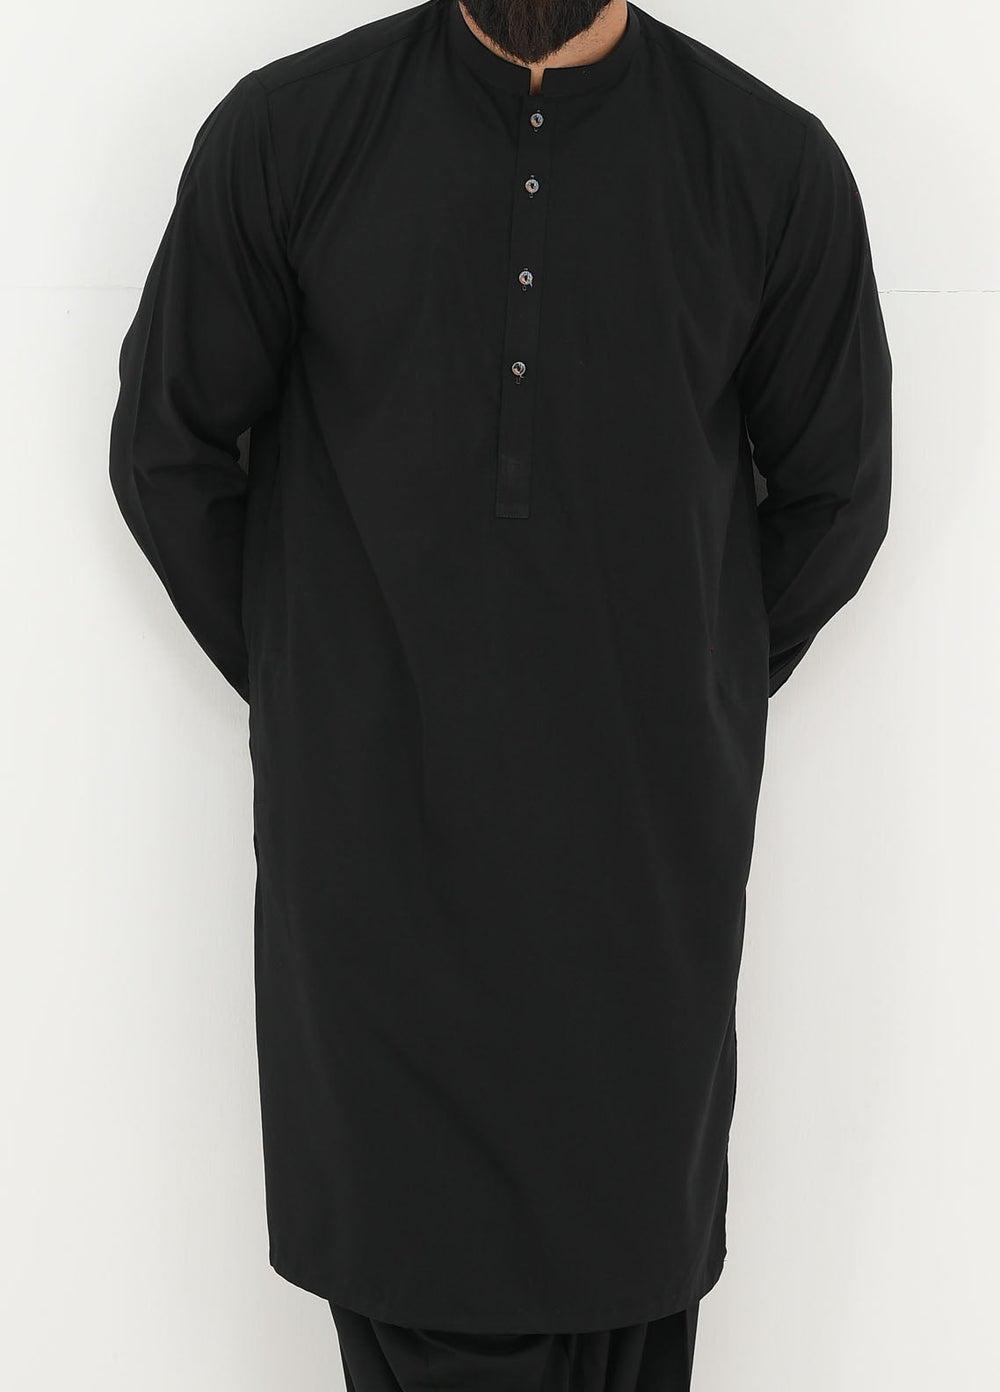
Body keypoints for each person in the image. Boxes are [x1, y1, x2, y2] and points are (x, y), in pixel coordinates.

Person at [108, 1, 892, 1386]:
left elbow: (837, 496)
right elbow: (170, 453)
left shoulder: (766, 166)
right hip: (375, 884)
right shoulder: (292, 135)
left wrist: (674, 688)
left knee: (630, 1280)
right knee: (411, 1269)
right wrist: (322, 686)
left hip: (639, 894)